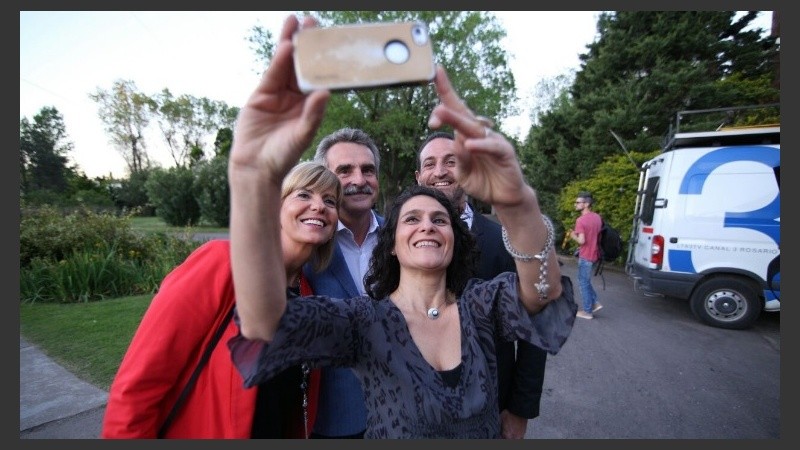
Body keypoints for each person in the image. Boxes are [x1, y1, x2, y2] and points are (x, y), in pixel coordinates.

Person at [226, 14, 577, 438]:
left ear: (455, 239)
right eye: (411, 218)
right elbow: (265, 324)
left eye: (439, 219)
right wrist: (251, 179)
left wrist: (517, 202)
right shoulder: (364, 319)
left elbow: (543, 293)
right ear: (390, 244)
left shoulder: (481, 306)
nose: (427, 226)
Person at [101, 161, 341, 438]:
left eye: (329, 200)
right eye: (303, 194)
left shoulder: (308, 294)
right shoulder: (223, 264)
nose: (319, 206)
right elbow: (141, 381)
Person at [415, 130, 549, 439]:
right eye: (430, 163)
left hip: (487, 411)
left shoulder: (507, 243)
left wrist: (519, 410)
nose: (440, 171)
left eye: (451, 161)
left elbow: (534, 331)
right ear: (419, 175)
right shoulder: (398, 241)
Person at [300, 127, 384, 439]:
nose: (359, 180)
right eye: (345, 170)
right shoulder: (306, 246)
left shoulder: (402, 238)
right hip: (333, 422)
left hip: (401, 417)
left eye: (368, 170)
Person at [569, 191, 603, 319]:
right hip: (594, 254)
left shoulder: (581, 220)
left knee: (583, 282)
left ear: (586, 204)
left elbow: (582, 241)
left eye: (578, 202)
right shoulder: (597, 217)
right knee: (585, 280)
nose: (575, 204)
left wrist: (573, 236)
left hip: (586, 255)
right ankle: (595, 302)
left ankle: (587, 312)